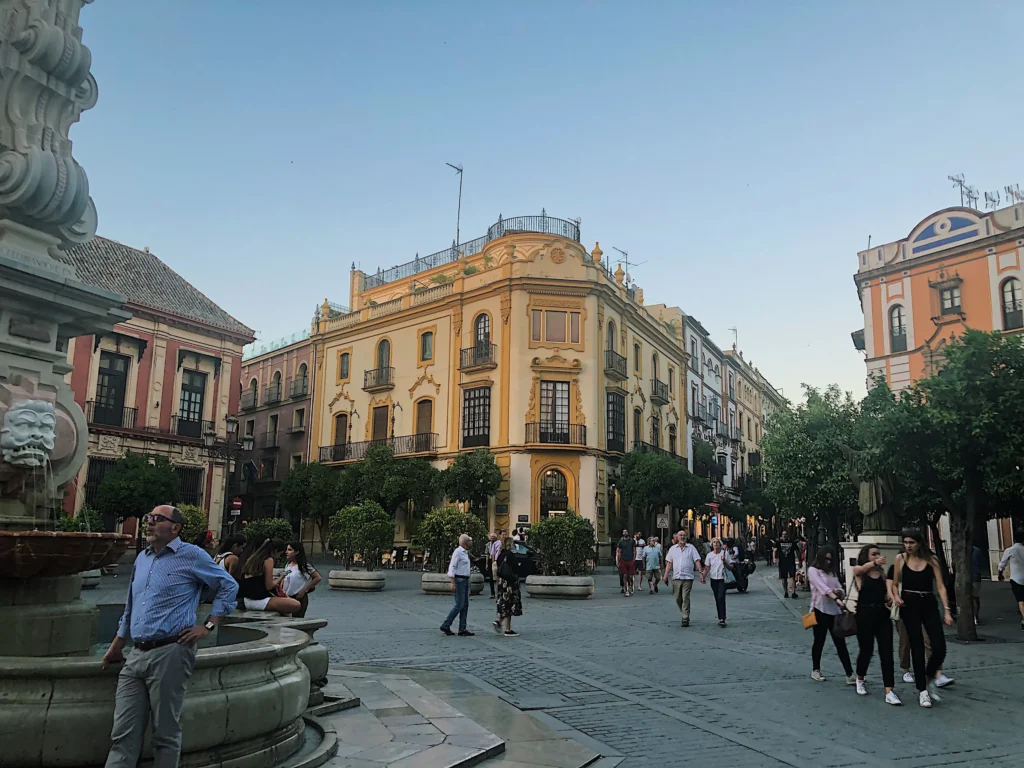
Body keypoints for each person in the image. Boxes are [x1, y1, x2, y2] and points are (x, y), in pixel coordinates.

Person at [101, 505, 239, 768]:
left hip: (171, 651)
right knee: (122, 734)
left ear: (175, 528)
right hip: (135, 655)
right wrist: (118, 642)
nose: (149, 523)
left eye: (157, 519)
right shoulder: (143, 558)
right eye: (148, 519)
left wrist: (208, 626)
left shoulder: (192, 555)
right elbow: (132, 603)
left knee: (165, 732)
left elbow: (228, 585)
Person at [892, 528, 952, 708]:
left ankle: (929, 675)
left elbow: (940, 586)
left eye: (912, 542)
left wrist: (947, 610)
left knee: (939, 646)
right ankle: (922, 691)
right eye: (906, 542)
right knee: (916, 647)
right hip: (909, 604)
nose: (908, 546)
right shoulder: (900, 559)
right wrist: (895, 597)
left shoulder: (931, 560)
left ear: (919, 543)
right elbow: (894, 583)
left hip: (928, 602)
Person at [851, 545, 901, 705]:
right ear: (866, 556)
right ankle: (860, 678)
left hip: (882, 615)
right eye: (873, 554)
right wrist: (874, 563)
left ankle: (889, 690)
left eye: (878, 554)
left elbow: (886, 593)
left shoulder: (880, 573)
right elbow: (858, 570)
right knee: (866, 650)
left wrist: (889, 599)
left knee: (886, 652)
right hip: (864, 615)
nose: (877, 557)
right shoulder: (861, 571)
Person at [807, 549, 855, 685]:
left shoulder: (832, 573)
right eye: (826, 559)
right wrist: (836, 598)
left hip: (834, 612)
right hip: (819, 610)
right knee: (819, 641)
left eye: (830, 559)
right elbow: (822, 588)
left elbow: (841, 589)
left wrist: (839, 592)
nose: (828, 562)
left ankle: (849, 673)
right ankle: (815, 669)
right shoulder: (813, 571)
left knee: (840, 643)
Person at [238, 539, 301, 615]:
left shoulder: (253, 559)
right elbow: (269, 586)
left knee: (286, 609)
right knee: (296, 605)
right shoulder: (269, 560)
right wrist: (281, 577)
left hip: (247, 598)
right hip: (259, 600)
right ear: (275, 551)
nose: (278, 557)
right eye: (279, 554)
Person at [663, 530, 703, 627]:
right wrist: (665, 575)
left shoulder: (691, 548)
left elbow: (697, 560)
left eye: (684, 535)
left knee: (686, 597)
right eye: (680, 535)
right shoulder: (673, 549)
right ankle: (684, 612)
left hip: (688, 577)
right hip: (676, 577)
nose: (682, 537)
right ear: (677, 537)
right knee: (678, 598)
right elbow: (669, 562)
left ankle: (685, 617)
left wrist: (701, 572)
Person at [440, 534, 475, 636]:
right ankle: (446, 624)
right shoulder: (458, 552)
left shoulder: (465, 553)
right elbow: (452, 567)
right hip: (459, 580)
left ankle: (462, 628)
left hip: (465, 580)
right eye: (469, 541)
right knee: (459, 605)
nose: (470, 543)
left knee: (465, 605)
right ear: (465, 542)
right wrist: (452, 582)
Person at [277, 542, 321, 618]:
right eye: (287, 550)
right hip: (287, 597)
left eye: (290, 550)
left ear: (297, 552)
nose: (286, 552)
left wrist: (304, 589)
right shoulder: (288, 564)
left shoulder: (304, 565)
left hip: (298, 598)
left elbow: (317, 577)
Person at [492, 537, 522, 637]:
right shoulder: (510, 555)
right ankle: (507, 629)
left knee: (503, 603)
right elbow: (516, 568)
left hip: (502, 582)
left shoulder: (501, 554)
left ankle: (499, 621)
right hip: (510, 582)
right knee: (509, 604)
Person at [997, 528, 1024, 631]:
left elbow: (1002, 564)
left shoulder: (1010, 550)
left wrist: (1000, 574)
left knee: (1021, 600)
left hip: (1016, 578)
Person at [702, 537, 731, 627]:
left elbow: (731, 566)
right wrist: (703, 576)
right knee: (717, 598)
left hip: (723, 579)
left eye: (717, 542)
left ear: (720, 544)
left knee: (721, 597)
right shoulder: (709, 555)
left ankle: (723, 618)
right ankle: (720, 617)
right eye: (714, 542)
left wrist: (725, 562)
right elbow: (707, 567)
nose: (715, 544)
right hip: (713, 579)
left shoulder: (724, 553)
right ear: (712, 544)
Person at [775, 531, 799, 599]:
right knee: (784, 578)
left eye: (785, 534)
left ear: (787, 535)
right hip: (782, 562)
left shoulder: (792, 542)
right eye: (783, 534)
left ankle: (793, 592)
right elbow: (775, 550)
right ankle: (786, 591)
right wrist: (774, 558)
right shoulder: (779, 542)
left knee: (792, 577)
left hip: (791, 562)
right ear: (782, 535)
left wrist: (799, 559)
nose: (784, 536)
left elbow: (797, 551)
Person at [616, 529, 636, 596]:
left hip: (630, 560)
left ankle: (632, 586)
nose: (625, 533)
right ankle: (626, 590)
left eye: (626, 532)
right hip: (623, 559)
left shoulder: (632, 541)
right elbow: (619, 551)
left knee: (631, 576)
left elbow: (634, 550)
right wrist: (618, 560)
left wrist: (634, 558)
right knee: (624, 575)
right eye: (623, 532)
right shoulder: (621, 541)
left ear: (628, 533)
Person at [971, 541, 985, 624]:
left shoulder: (962, 550)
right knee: (975, 597)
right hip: (976, 574)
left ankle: (971, 616)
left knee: (968, 597)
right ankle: (976, 616)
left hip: (966, 575)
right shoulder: (978, 550)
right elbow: (981, 562)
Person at [485, 532, 500, 599]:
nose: (492, 538)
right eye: (491, 537)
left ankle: (499, 592)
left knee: (498, 577)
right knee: (491, 578)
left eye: (493, 537)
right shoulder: (488, 544)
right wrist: (487, 563)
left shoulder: (498, 543)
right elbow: (487, 554)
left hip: (496, 560)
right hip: (490, 560)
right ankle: (492, 593)